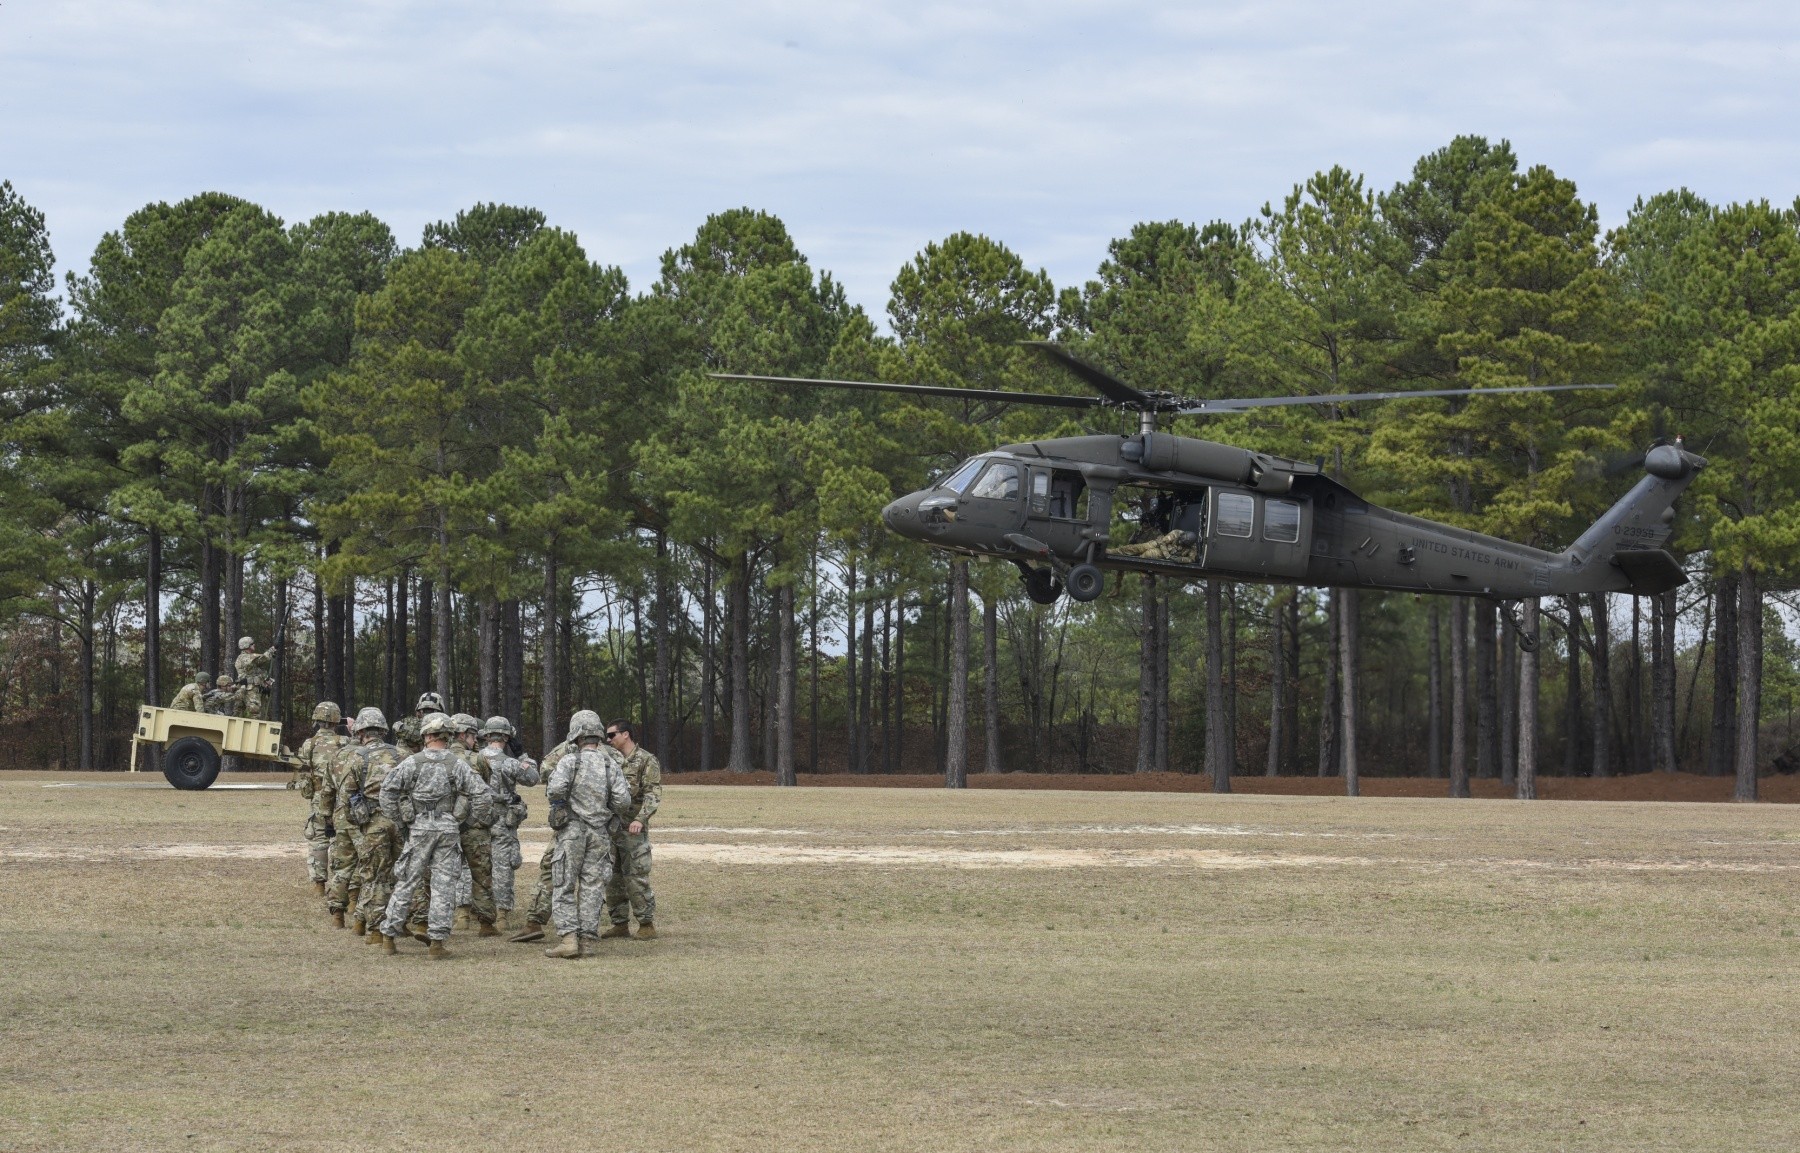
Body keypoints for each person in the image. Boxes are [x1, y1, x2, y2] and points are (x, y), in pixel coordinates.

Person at [378, 713, 494, 959]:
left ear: (426, 736)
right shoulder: (457, 764)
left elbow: (387, 791)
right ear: (448, 736)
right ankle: (437, 944)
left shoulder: (412, 762)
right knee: (444, 885)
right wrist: (469, 821)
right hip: (448, 830)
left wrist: (401, 822)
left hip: (419, 829)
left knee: (408, 880)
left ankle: (389, 937)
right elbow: (483, 795)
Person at [509, 708, 607, 944]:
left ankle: (537, 922)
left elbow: (545, 773)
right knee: (593, 878)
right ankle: (586, 931)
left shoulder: (565, 752)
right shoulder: (608, 755)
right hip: (600, 825)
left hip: (570, 824)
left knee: (554, 871)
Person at [542, 716, 631, 959]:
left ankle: (569, 939)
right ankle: (587, 942)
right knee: (593, 886)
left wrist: (562, 804)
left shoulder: (570, 761)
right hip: (600, 833)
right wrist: (606, 810)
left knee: (564, 883)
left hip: (572, 830)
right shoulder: (610, 764)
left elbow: (555, 789)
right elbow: (623, 801)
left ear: (577, 735)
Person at [410, 713, 499, 936]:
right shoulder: (476, 760)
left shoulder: (430, 758)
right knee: (481, 872)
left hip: (439, 824)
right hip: (472, 827)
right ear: (462, 734)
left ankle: (425, 920)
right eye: (472, 735)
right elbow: (483, 789)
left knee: (429, 873)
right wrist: (478, 818)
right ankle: (486, 923)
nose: (475, 740)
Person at [324, 708, 404, 938]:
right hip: (390, 820)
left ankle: (340, 915)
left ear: (359, 732)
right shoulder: (399, 754)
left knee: (346, 867)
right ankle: (378, 919)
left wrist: (329, 817)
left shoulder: (345, 756)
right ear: (383, 730)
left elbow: (336, 792)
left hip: (352, 818)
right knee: (384, 871)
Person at [598, 720, 662, 940]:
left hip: (632, 829)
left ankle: (646, 924)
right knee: (612, 878)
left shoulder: (646, 760)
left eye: (611, 735)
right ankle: (619, 923)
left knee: (635, 877)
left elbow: (653, 794)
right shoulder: (608, 760)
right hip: (610, 828)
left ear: (626, 734)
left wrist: (641, 819)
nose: (608, 740)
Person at [478, 716, 539, 930]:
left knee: (472, 864)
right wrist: (523, 754)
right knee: (503, 866)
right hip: (502, 820)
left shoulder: (472, 760)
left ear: (485, 736)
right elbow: (532, 778)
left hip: (476, 818)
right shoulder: (509, 763)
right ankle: (502, 915)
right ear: (507, 737)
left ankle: (464, 914)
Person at [291, 702, 349, 899]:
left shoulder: (309, 744)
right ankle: (344, 885)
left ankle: (319, 885)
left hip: (319, 796)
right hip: (342, 797)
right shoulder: (346, 742)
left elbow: (304, 770)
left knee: (319, 839)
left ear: (317, 720)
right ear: (336, 721)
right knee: (343, 840)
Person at [393, 691, 445, 757]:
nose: (427, 714)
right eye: (425, 710)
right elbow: (397, 726)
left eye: (430, 711)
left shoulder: (445, 727)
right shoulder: (411, 724)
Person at [233, 636, 274, 719]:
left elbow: (258, 670)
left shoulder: (251, 660)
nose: (254, 645)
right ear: (246, 646)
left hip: (249, 688)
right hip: (249, 689)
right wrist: (272, 649)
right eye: (252, 644)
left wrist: (265, 681)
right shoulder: (244, 658)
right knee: (254, 713)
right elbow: (263, 658)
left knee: (243, 712)